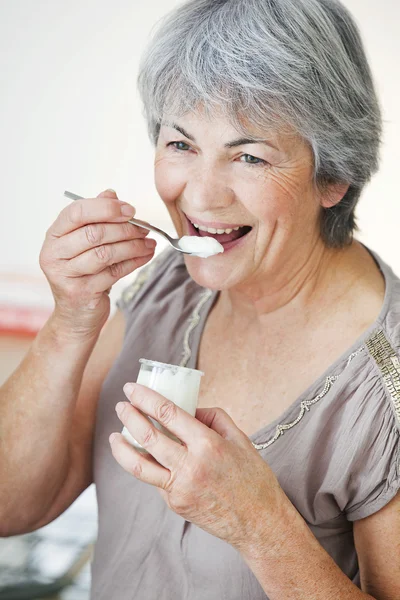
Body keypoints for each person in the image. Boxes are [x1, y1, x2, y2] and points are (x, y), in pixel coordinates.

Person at [1, 0, 399, 598]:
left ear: (333, 177)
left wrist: (261, 527)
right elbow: (12, 506)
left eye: (249, 155)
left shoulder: (388, 384)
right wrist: (73, 320)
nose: (202, 196)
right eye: (182, 144)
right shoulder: (165, 285)